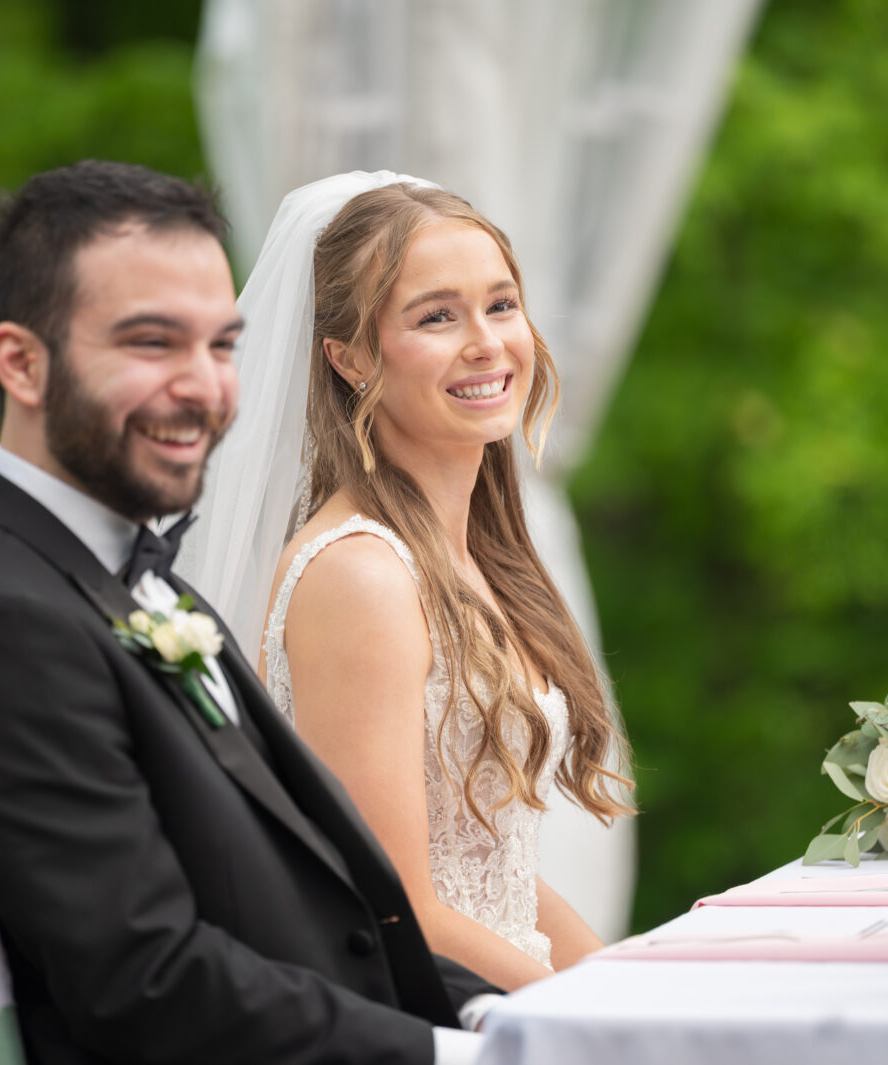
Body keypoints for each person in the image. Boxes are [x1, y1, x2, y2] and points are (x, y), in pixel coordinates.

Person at [0, 159, 498, 1065]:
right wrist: (457, 1056)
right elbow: (146, 982)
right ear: (21, 362)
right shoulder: (3, 626)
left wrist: (499, 1016)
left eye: (220, 346)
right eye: (150, 344)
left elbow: (312, 909)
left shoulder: (135, 582)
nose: (203, 387)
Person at [183, 173, 635, 993]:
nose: (488, 342)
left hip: (503, 993)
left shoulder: (470, 559)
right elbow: (400, 907)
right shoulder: (361, 575)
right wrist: (593, 1016)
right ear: (348, 357)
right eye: (437, 316)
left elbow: (496, 876)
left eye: (501, 305)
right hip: (429, 1015)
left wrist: (631, 987)